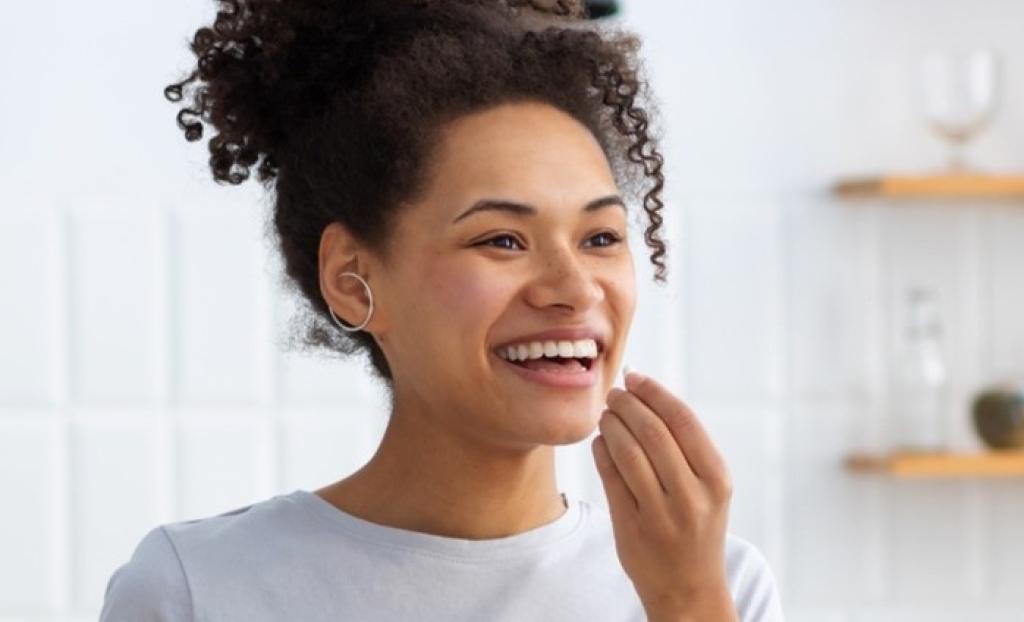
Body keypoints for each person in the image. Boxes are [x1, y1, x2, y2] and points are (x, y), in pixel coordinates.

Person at [100, 0, 781, 619]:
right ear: (351, 278)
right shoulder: (199, 589)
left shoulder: (718, 584)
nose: (575, 289)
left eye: (600, 238)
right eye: (502, 240)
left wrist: (685, 602)